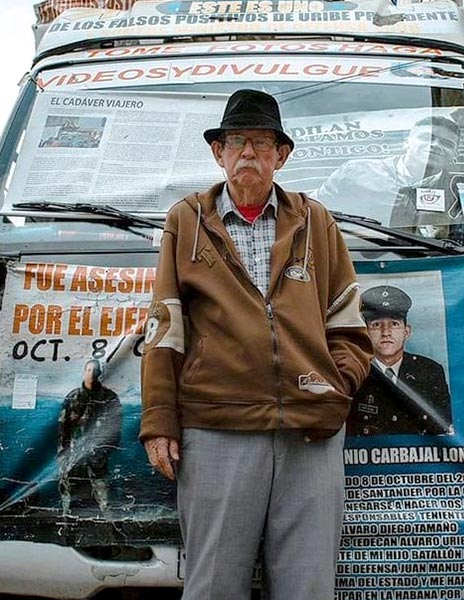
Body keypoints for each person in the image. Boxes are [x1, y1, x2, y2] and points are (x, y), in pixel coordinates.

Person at [140, 88, 372, 600]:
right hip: (217, 430)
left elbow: (350, 325)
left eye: (262, 143)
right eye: (237, 141)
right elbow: (165, 327)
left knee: (308, 589)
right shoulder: (185, 220)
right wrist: (159, 421)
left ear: (281, 156)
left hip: (310, 433)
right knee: (214, 586)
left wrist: (334, 386)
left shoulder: (318, 221)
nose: (248, 153)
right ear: (218, 152)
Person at [316, 114, 463, 236]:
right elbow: (311, 212)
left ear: (454, 155)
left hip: (436, 260)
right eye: (427, 138)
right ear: (406, 143)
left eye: (447, 144)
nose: (435, 145)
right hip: (356, 254)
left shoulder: (460, 193)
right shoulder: (355, 172)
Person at [347, 285, 451, 436]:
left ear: (406, 331)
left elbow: (445, 427)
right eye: (376, 325)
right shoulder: (353, 370)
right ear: (366, 332)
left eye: (394, 324)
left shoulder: (430, 371)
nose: (386, 333)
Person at [57, 359, 122, 518]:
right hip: (74, 453)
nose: (91, 374)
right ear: (84, 372)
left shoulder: (109, 398)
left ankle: (111, 526)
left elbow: (115, 428)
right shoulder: (73, 397)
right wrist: (62, 454)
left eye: (95, 370)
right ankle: (67, 524)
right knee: (68, 491)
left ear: (99, 373)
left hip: (96, 453)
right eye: (88, 370)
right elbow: (62, 428)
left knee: (103, 492)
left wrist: (103, 452)